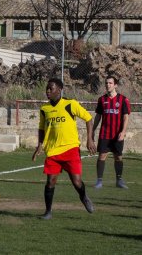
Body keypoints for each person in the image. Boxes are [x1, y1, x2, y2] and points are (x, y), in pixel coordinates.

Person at [32, 78, 97, 220]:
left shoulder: (70, 104)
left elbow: (88, 119)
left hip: (70, 149)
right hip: (53, 151)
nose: (48, 91)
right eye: (47, 89)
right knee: (50, 181)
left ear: (60, 89)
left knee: (77, 182)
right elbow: (42, 129)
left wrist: (90, 139)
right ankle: (48, 212)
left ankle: (84, 197)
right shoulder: (45, 109)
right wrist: (40, 145)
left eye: (51, 88)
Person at [92, 75, 131, 189]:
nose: (108, 85)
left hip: (117, 134)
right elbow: (98, 117)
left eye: (110, 83)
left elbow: (126, 117)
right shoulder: (102, 99)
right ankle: (99, 181)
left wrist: (123, 132)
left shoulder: (123, 100)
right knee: (102, 156)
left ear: (115, 85)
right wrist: (93, 130)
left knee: (118, 157)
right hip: (105, 134)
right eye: (106, 83)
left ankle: (119, 180)